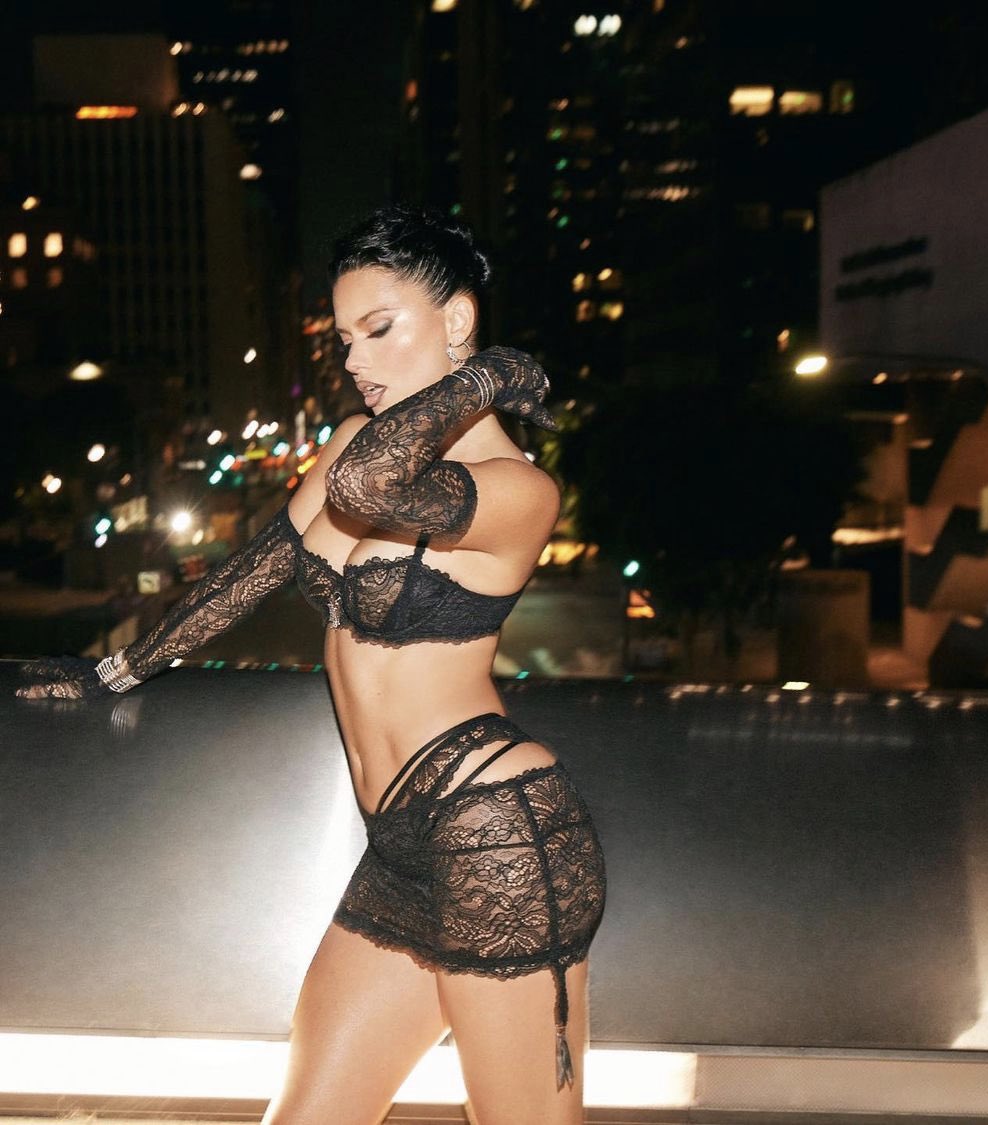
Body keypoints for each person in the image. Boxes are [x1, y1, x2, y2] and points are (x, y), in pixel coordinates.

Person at [17, 204, 607, 1125]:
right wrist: (116, 672)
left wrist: (486, 375)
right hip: (398, 850)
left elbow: (371, 486)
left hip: (495, 831)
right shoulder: (347, 443)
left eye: (379, 328)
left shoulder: (519, 491)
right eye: (343, 339)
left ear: (457, 318)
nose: (355, 360)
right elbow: (253, 572)